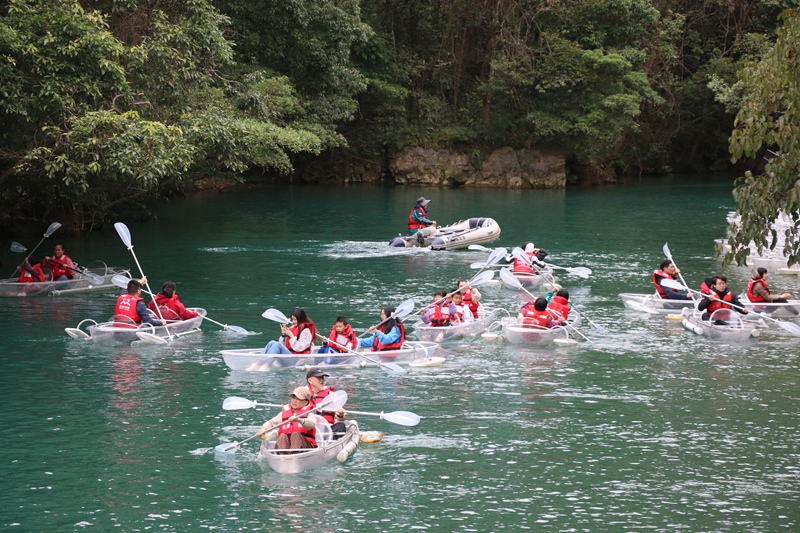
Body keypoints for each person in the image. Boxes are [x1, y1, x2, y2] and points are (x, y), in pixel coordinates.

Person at [256, 387, 319, 455]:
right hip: (287, 448)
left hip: (305, 449)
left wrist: (299, 420)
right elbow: (270, 423)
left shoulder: (309, 414)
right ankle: (282, 459)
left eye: (298, 399)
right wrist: (264, 429)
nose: (294, 401)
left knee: (296, 435)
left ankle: (294, 461)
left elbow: (312, 424)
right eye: (293, 398)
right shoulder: (283, 414)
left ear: (306, 402)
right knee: (282, 436)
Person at [305, 368, 346, 439]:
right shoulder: (302, 393)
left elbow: (340, 417)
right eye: (319, 378)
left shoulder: (331, 394)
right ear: (310, 380)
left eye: (323, 378)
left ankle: (330, 445)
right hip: (309, 428)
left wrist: (340, 415)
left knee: (340, 425)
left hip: (327, 428)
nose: (322, 380)